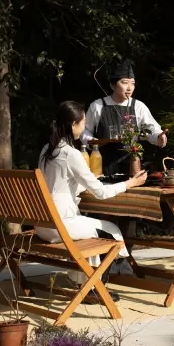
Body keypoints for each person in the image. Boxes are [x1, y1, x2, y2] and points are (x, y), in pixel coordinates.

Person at [38, 100, 148, 300]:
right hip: (60, 225)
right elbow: (101, 193)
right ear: (73, 124)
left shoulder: (47, 149)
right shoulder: (70, 153)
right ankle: (97, 289)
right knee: (110, 231)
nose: (84, 126)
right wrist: (130, 183)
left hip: (43, 225)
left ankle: (88, 284)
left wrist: (88, 182)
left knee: (93, 230)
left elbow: (59, 184)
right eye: (83, 122)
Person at [81, 58, 167, 176]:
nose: (129, 88)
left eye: (132, 83)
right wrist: (93, 141)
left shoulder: (138, 106)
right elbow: (85, 130)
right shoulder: (98, 105)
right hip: (104, 166)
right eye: (125, 82)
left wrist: (159, 137)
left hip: (133, 165)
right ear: (113, 85)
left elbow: (152, 130)